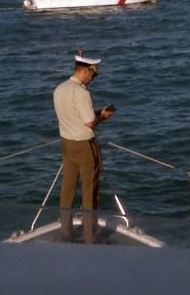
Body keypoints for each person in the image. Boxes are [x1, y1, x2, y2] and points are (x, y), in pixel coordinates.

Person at [53, 53, 114, 243]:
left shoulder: (60, 89)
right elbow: (89, 123)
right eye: (93, 74)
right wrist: (102, 116)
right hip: (84, 147)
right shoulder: (82, 93)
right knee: (90, 190)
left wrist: (95, 114)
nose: (94, 78)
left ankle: (65, 232)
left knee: (67, 189)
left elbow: (74, 115)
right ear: (86, 71)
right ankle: (90, 235)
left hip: (67, 144)